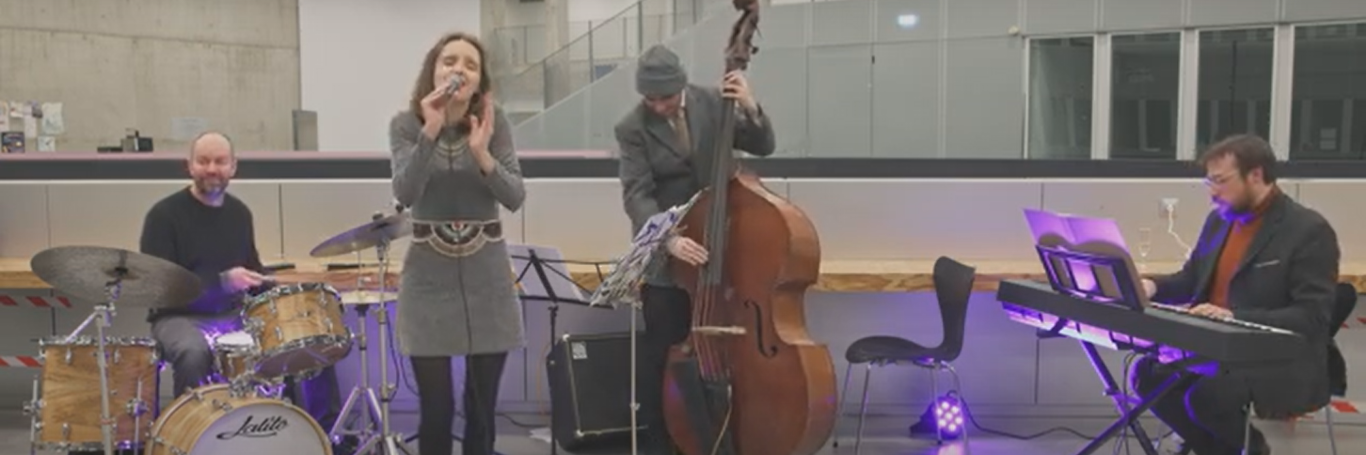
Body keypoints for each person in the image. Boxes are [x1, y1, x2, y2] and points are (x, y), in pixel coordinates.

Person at [122, 131, 344, 454]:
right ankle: (189, 439)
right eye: (204, 161)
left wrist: (276, 286)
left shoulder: (240, 213)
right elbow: (162, 287)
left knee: (307, 341)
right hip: (178, 317)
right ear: (190, 166)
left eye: (220, 161)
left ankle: (319, 438)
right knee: (193, 352)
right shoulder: (164, 216)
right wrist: (223, 281)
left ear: (233, 167)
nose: (212, 168)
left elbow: (251, 268)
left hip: (233, 315)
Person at [615, 44, 776, 455]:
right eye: (650, 99)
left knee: (731, 354)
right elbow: (637, 195)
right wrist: (667, 239)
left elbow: (763, 145)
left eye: (665, 98)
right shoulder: (632, 127)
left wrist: (750, 106)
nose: (658, 106)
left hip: (725, 252)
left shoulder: (713, 103)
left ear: (681, 86)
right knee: (662, 362)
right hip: (669, 264)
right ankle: (663, 445)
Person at [1134, 134, 1340, 455]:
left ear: (1256, 176)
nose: (1213, 192)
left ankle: (1254, 450)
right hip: (1218, 347)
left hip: (1279, 357)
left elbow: (1311, 317)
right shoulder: (1220, 221)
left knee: (1208, 395)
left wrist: (1233, 316)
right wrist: (1150, 286)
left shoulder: (1308, 230)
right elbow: (1192, 280)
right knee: (1147, 376)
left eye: (1220, 181)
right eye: (1208, 183)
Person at [388, 31, 525, 455]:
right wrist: (430, 131)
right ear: (433, 69)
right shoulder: (406, 124)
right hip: (428, 279)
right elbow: (406, 193)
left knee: (481, 409)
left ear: (480, 80)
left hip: (488, 278)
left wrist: (482, 152)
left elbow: (515, 197)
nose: (458, 70)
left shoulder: (494, 121)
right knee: (437, 408)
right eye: (449, 61)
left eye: (469, 64)